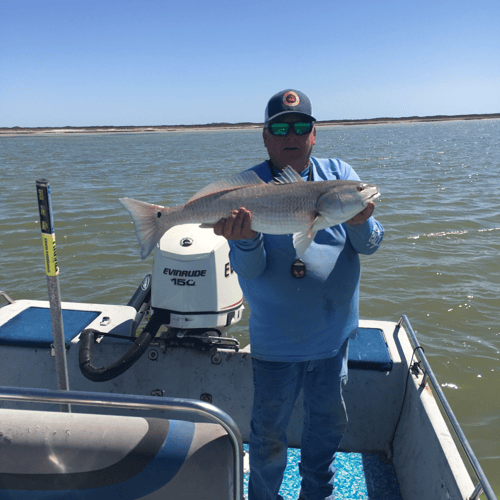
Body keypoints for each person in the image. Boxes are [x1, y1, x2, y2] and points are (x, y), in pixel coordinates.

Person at [214, 89, 384, 500]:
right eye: (280, 127)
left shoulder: (338, 175)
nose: (291, 134)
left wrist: (361, 221)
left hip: (332, 338)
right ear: (266, 137)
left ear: (313, 135)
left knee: (326, 427)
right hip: (276, 343)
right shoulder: (250, 188)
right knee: (268, 436)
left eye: (301, 126)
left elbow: (371, 245)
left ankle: (317, 495)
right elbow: (250, 271)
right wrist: (247, 240)